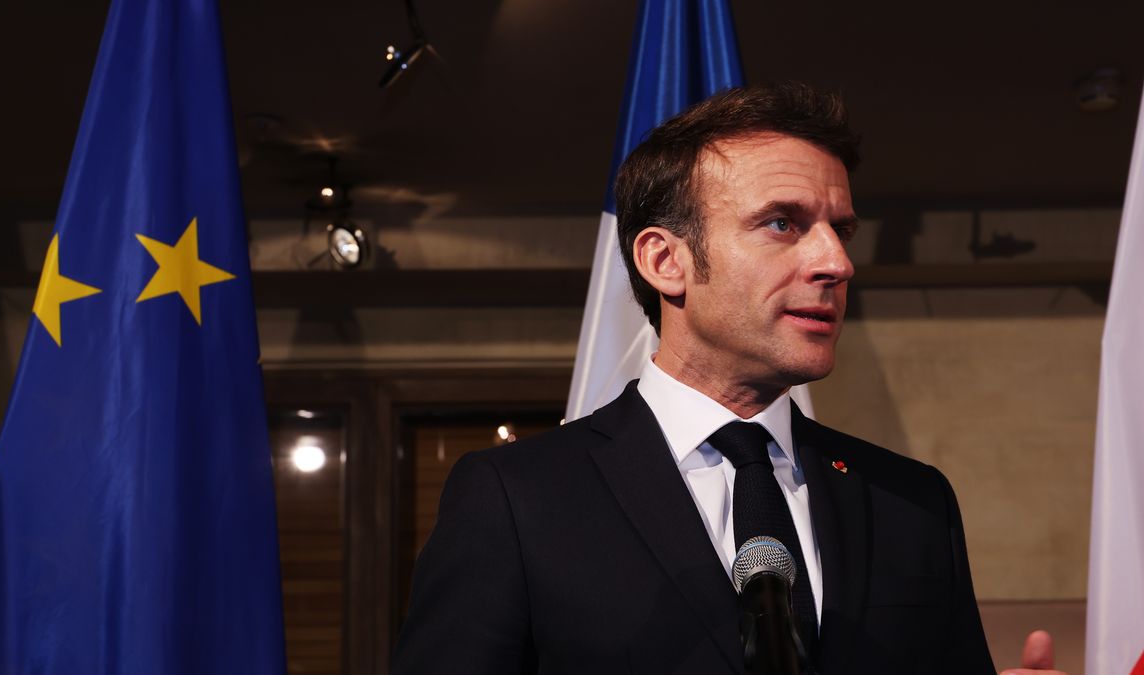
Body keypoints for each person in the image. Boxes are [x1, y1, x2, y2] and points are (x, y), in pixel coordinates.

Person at [393, 83, 1066, 675]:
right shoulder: (516, 500)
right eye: (783, 223)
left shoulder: (912, 502)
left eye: (841, 229)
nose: (837, 261)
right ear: (665, 261)